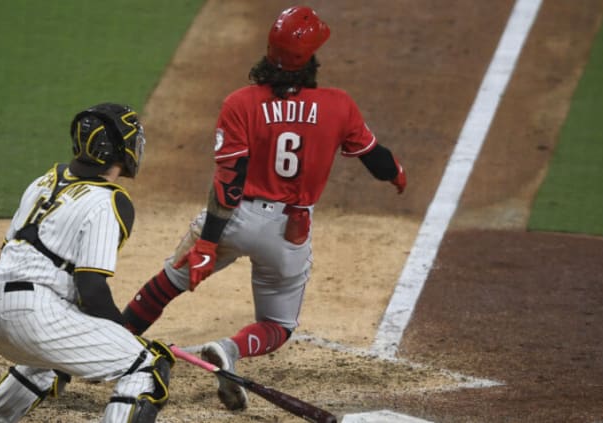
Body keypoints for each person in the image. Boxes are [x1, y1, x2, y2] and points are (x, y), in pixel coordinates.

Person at [122, 5, 407, 412]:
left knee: (167, 285)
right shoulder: (339, 105)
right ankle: (229, 348)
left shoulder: (241, 103)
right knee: (277, 325)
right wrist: (396, 173)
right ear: (310, 60)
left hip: (233, 219)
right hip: (287, 233)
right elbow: (375, 158)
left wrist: (207, 242)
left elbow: (229, 179)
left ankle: (103, 347)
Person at [0, 103, 175, 423]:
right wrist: (123, 335)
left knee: (50, 359)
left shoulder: (42, 182)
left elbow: (10, 254)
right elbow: (91, 289)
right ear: (118, 150)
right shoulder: (110, 200)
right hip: (32, 315)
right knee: (147, 364)